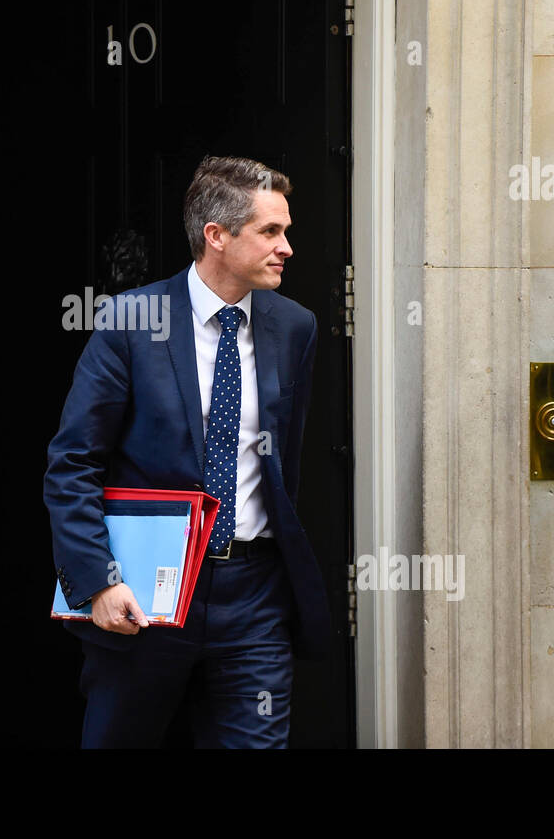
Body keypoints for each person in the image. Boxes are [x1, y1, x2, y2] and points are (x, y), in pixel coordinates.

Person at [44, 155, 333, 748]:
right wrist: (98, 581)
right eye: (271, 232)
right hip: (146, 593)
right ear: (217, 236)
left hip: (254, 596)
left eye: (287, 231)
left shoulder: (295, 326)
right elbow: (72, 463)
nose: (288, 248)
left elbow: (284, 464)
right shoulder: (130, 322)